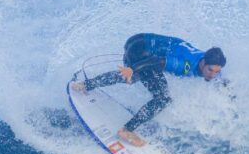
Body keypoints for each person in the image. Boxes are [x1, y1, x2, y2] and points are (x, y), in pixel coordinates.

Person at [72, 33, 226, 147]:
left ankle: (85, 85)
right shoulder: (183, 64)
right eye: (210, 70)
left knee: (137, 77)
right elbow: (156, 61)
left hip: (140, 41)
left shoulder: (213, 64)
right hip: (140, 50)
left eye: (216, 72)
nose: (212, 75)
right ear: (203, 62)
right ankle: (127, 130)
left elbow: (219, 78)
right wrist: (132, 68)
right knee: (162, 98)